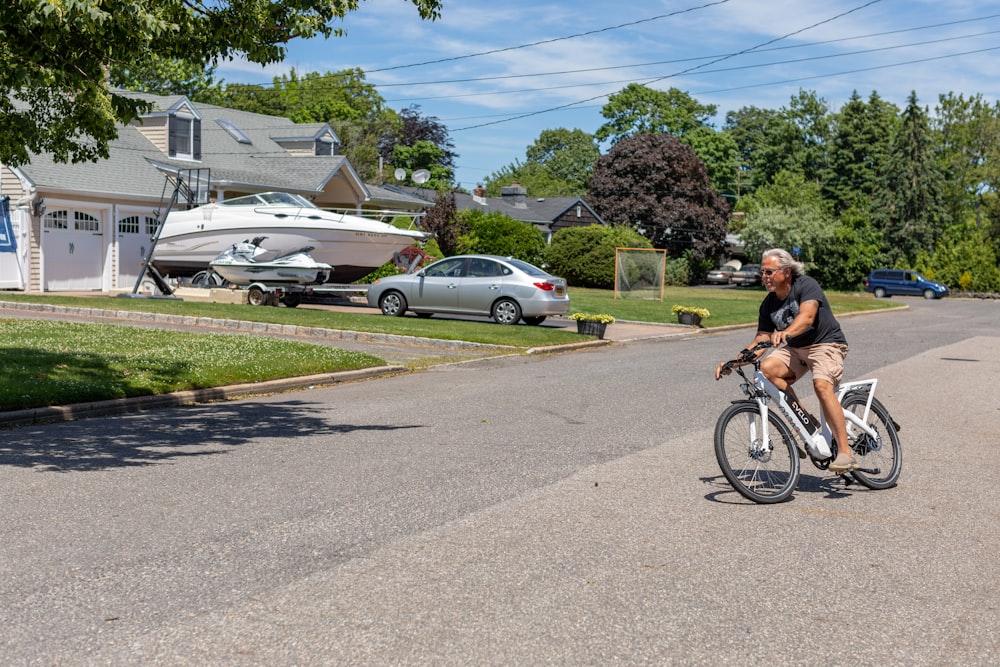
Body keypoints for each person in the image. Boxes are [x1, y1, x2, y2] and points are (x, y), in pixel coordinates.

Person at [714, 248, 857, 473]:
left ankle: (845, 452)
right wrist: (733, 362)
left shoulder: (806, 285)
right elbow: (761, 339)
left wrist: (787, 332)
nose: (764, 277)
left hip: (826, 343)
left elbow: (807, 317)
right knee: (767, 369)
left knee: (821, 386)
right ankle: (805, 421)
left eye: (769, 272)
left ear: (786, 272)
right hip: (796, 349)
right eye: (763, 272)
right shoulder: (769, 303)